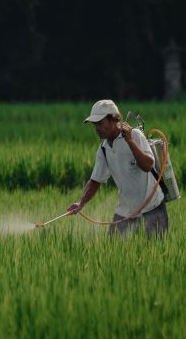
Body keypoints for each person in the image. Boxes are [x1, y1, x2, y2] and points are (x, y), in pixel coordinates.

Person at [66, 99, 169, 238]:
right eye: (94, 125)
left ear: (114, 120)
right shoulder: (103, 148)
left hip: (152, 207)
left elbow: (148, 165)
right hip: (126, 210)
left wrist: (129, 142)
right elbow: (95, 181)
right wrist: (81, 203)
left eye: (100, 123)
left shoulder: (135, 135)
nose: (97, 128)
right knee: (113, 249)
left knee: (155, 253)